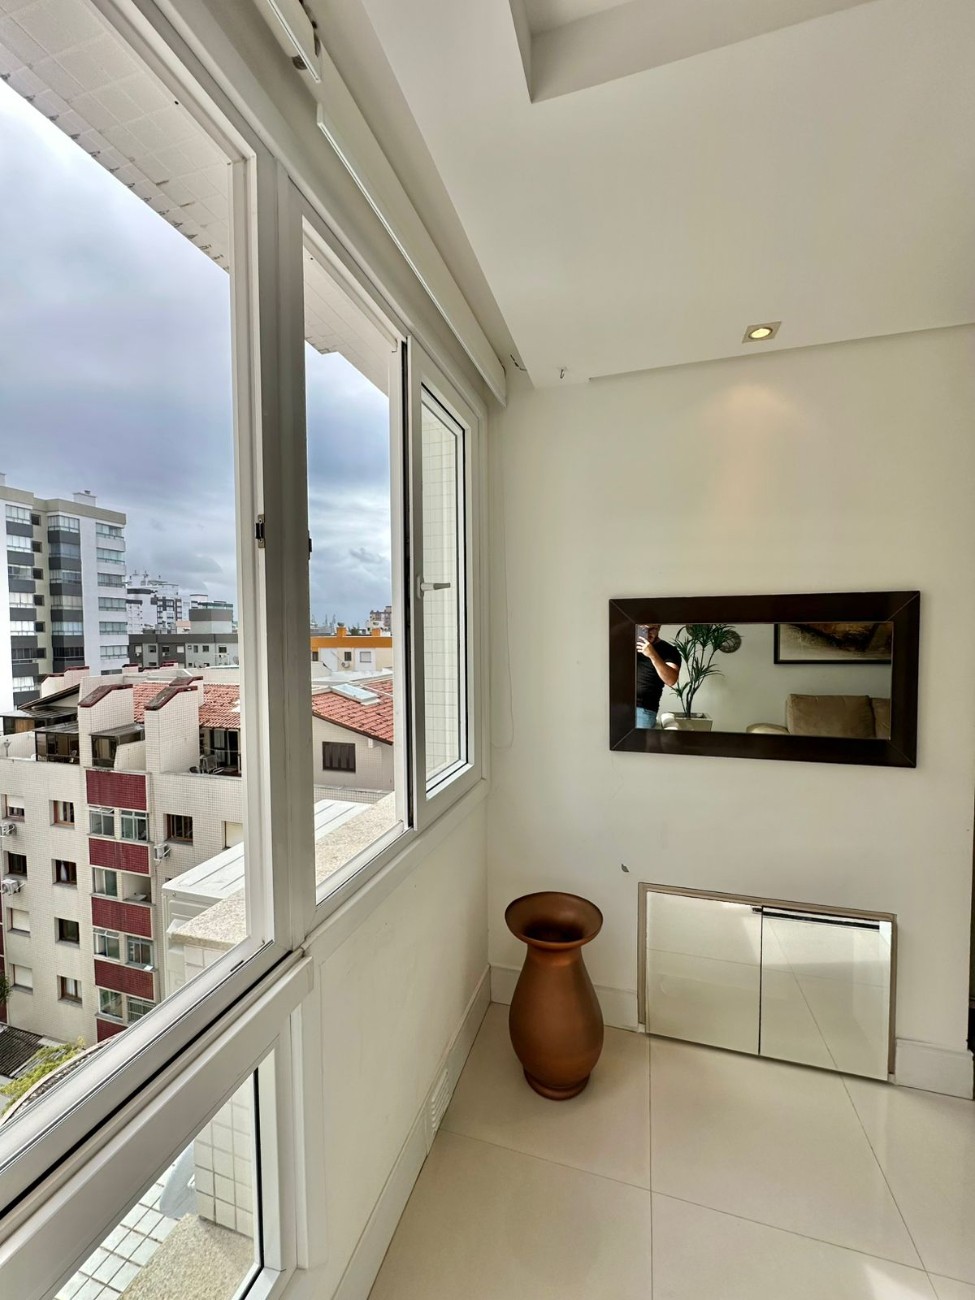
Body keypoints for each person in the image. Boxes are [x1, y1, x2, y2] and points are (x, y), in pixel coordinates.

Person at [635, 624, 681, 729]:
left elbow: (671, 680)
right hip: (618, 706)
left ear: (659, 627)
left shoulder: (669, 650)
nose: (648, 633)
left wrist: (653, 655)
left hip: (644, 709)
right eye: (643, 629)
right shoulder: (624, 645)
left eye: (652, 629)